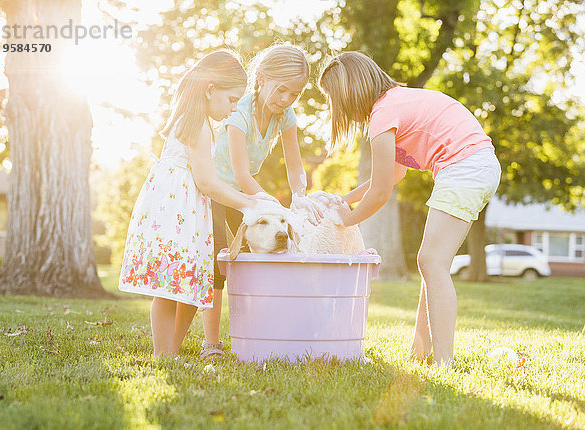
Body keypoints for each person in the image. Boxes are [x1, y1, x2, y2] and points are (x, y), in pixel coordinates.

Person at [319, 51, 501, 365]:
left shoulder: (382, 116)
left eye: (333, 99)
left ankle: (444, 362)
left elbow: (379, 193)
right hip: (478, 165)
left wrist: (346, 220)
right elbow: (392, 175)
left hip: (465, 168)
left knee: (431, 261)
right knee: (433, 262)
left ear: (348, 94)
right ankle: (421, 353)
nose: (335, 107)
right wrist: (343, 200)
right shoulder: (396, 102)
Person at [118, 50, 263, 358]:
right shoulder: (196, 124)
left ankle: (170, 352)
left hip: (186, 210)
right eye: (232, 99)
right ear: (210, 89)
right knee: (170, 287)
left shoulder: (197, 122)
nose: (235, 108)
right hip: (175, 212)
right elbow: (207, 182)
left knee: (189, 286)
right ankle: (163, 355)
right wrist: (249, 203)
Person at [201, 44, 325, 359]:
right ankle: (211, 344)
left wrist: (299, 195)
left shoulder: (286, 115)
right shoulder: (239, 113)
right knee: (220, 264)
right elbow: (242, 175)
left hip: (245, 197)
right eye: (281, 89)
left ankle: (264, 329)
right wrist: (270, 204)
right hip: (217, 192)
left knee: (262, 260)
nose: (285, 99)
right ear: (262, 78)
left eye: (294, 94)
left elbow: (295, 166)